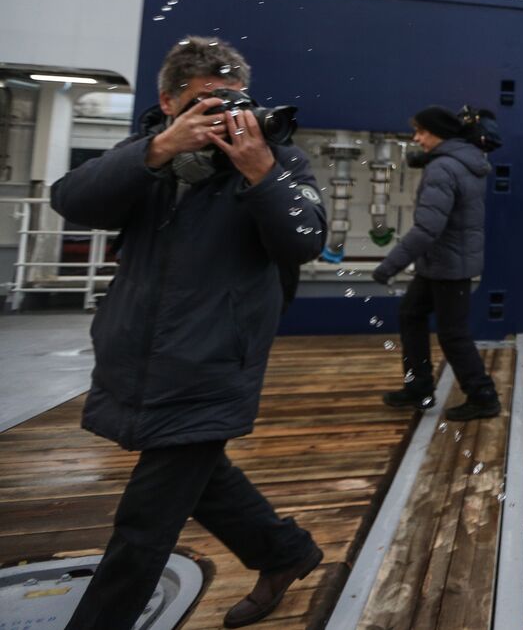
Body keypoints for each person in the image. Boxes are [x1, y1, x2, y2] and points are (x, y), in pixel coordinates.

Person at [51, 37, 326, 630]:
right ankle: (285, 553)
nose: (226, 116)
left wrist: (261, 172)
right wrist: (158, 150)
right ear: (169, 103)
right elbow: (71, 201)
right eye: (208, 103)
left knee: (144, 524)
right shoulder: (145, 156)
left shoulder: (277, 160)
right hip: (136, 354)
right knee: (200, 478)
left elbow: (306, 239)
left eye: (235, 101)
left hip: (214, 361)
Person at [374, 105, 502, 421]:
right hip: (439, 263)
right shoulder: (462, 162)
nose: (416, 138)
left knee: (453, 333)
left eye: (421, 131)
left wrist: (389, 266)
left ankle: (483, 396)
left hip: (449, 265)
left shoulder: (443, 168)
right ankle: (418, 386)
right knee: (411, 314)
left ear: (439, 133)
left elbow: (427, 229)